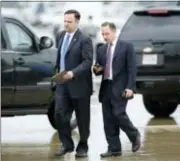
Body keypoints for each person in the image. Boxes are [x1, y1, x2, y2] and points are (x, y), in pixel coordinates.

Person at [93, 22, 141, 158]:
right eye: (102, 34)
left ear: (114, 32)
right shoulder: (101, 49)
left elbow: (132, 69)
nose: (104, 36)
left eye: (107, 33)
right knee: (108, 120)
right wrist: (96, 69)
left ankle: (134, 135)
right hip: (106, 87)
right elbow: (98, 69)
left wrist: (130, 87)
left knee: (119, 114)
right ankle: (114, 148)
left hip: (121, 87)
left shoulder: (126, 47)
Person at [54, 9, 93, 158]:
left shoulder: (84, 39)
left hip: (79, 84)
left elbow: (88, 61)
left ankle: (83, 146)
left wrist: (73, 73)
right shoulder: (60, 36)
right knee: (59, 114)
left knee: (82, 118)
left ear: (77, 22)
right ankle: (67, 144)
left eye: (69, 22)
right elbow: (59, 58)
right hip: (62, 83)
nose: (66, 24)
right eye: (64, 21)